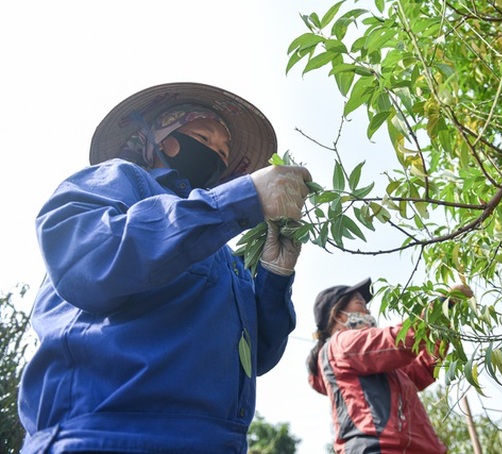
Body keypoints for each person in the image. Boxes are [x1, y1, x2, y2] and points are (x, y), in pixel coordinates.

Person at [18, 82, 312, 453]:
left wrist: (275, 275)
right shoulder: (116, 181)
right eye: (202, 136)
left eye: (222, 151)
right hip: (103, 436)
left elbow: (255, 357)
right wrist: (238, 201)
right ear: (157, 137)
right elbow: (86, 262)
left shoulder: (219, 252)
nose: (214, 154)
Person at [307, 278, 454, 454]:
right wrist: (440, 306)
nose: (367, 309)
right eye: (360, 303)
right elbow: (398, 342)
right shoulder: (342, 343)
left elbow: (420, 371)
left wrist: (442, 326)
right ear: (339, 315)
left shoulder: (381, 365)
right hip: (380, 448)